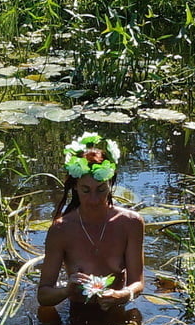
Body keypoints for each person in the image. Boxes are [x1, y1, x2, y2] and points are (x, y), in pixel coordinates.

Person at [37, 132, 144, 310]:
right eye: (86, 190)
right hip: (77, 311)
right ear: (75, 188)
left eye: (101, 190)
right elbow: (43, 295)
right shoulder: (61, 230)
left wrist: (122, 295)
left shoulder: (130, 223)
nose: (94, 200)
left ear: (110, 184)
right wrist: (65, 291)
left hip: (116, 309)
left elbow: (137, 283)